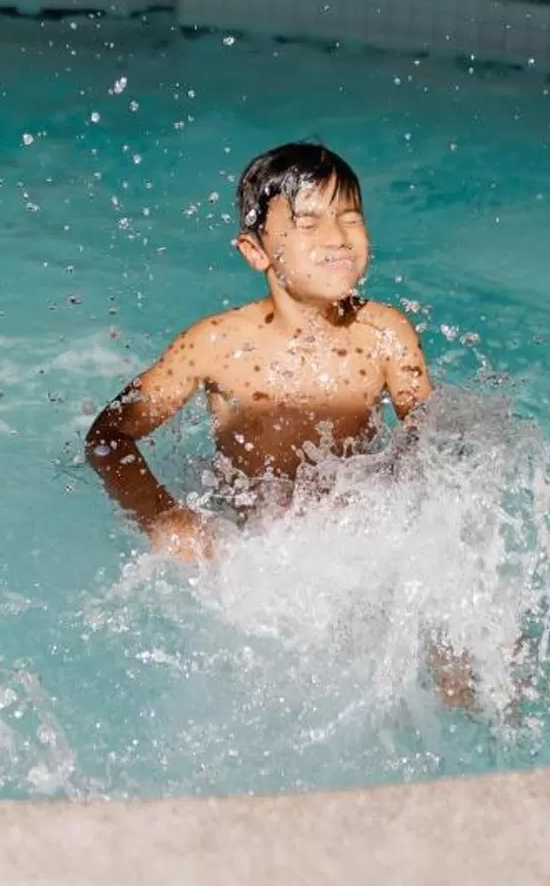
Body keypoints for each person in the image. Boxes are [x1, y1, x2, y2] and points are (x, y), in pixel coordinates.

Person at [84, 141, 476, 706]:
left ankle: (482, 729)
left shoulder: (385, 333)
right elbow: (108, 436)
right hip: (255, 547)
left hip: (353, 535)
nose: (337, 238)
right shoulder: (216, 345)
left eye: (350, 218)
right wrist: (163, 515)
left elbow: (430, 438)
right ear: (255, 251)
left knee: (452, 607)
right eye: (308, 223)